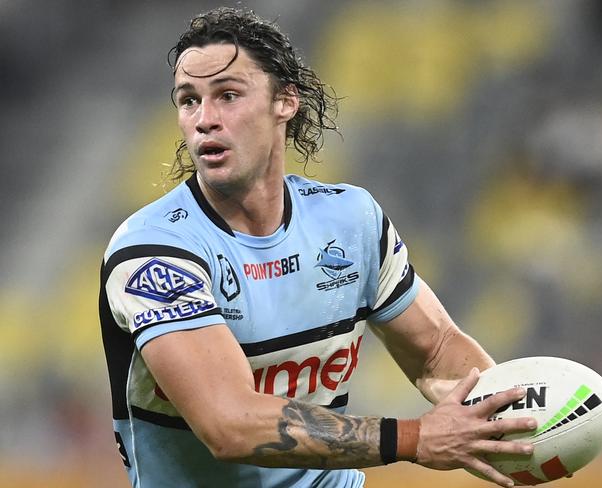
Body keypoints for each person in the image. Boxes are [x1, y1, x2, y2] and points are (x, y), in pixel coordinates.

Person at [99, 7, 536, 488]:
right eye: (188, 101)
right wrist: (415, 438)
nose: (205, 120)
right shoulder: (154, 251)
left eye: (227, 95)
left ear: (286, 101)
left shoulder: (351, 220)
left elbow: (436, 350)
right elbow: (229, 424)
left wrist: (510, 420)